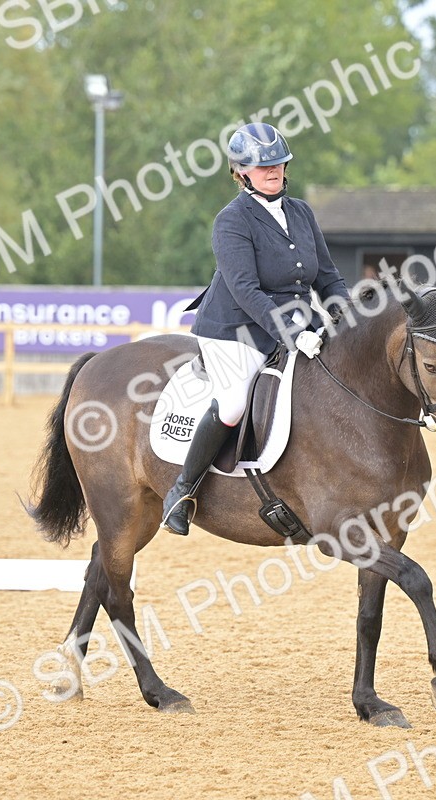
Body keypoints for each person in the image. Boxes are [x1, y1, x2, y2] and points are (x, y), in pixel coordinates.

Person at [161, 122, 351, 535]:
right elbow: (246, 289)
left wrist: (348, 314)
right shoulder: (231, 220)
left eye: (279, 164)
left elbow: (327, 277)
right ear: (241, 172)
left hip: (295, 321)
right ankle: (182, 490)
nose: (274, 171)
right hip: (236, 328)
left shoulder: (301, 212)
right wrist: (292, 332)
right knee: (233, 402)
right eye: (264, 167)